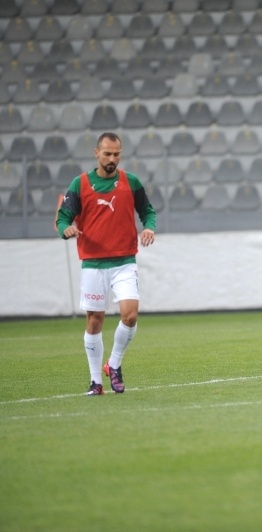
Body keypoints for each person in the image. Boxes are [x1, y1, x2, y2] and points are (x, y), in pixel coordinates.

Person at [56, 132, 157, 396]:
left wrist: (149, 227)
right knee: (94, 320)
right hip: (93, 264)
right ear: (96, 153)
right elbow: (63, 217)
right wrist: (66, 229)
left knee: (130, 315)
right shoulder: (80, 184)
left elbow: (147, 211)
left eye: (116, 154)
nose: (112, 159)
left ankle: (113, 363)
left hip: (124, 261)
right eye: (107, 154)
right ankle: (95, 382)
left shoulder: (130, 182)